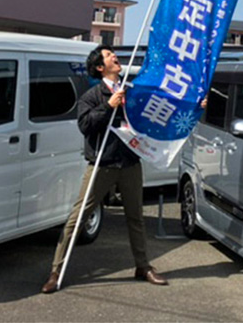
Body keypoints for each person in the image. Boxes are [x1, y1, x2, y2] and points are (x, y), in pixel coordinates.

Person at [41, 45, 168, 294]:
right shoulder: (92, 95)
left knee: (136, 218)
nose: (115, 58)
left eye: (113, 55)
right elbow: (86, 126)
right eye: (109, 56)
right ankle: (56, 271)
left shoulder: (131, 91)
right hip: (102, 164)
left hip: (130, 163)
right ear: (100, 67)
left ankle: (143, 266)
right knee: (78, 218)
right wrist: (108, 105)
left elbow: (153, 114)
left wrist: (194, 106)